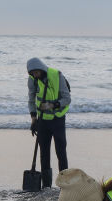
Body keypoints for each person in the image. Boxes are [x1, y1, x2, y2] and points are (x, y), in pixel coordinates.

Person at [27, 57, 71, 189]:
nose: (35, 75)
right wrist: (33, 119)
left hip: (58, 120)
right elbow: (31, 99)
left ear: (41, 69)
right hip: (43, 122)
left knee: (61, 152)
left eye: (36, 72)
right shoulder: (32, 80)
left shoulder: (57, 76)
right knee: (44, 154)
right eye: (32, 73)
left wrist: (53, 105)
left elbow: (67, 98)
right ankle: (46, 186)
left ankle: (65, 185)